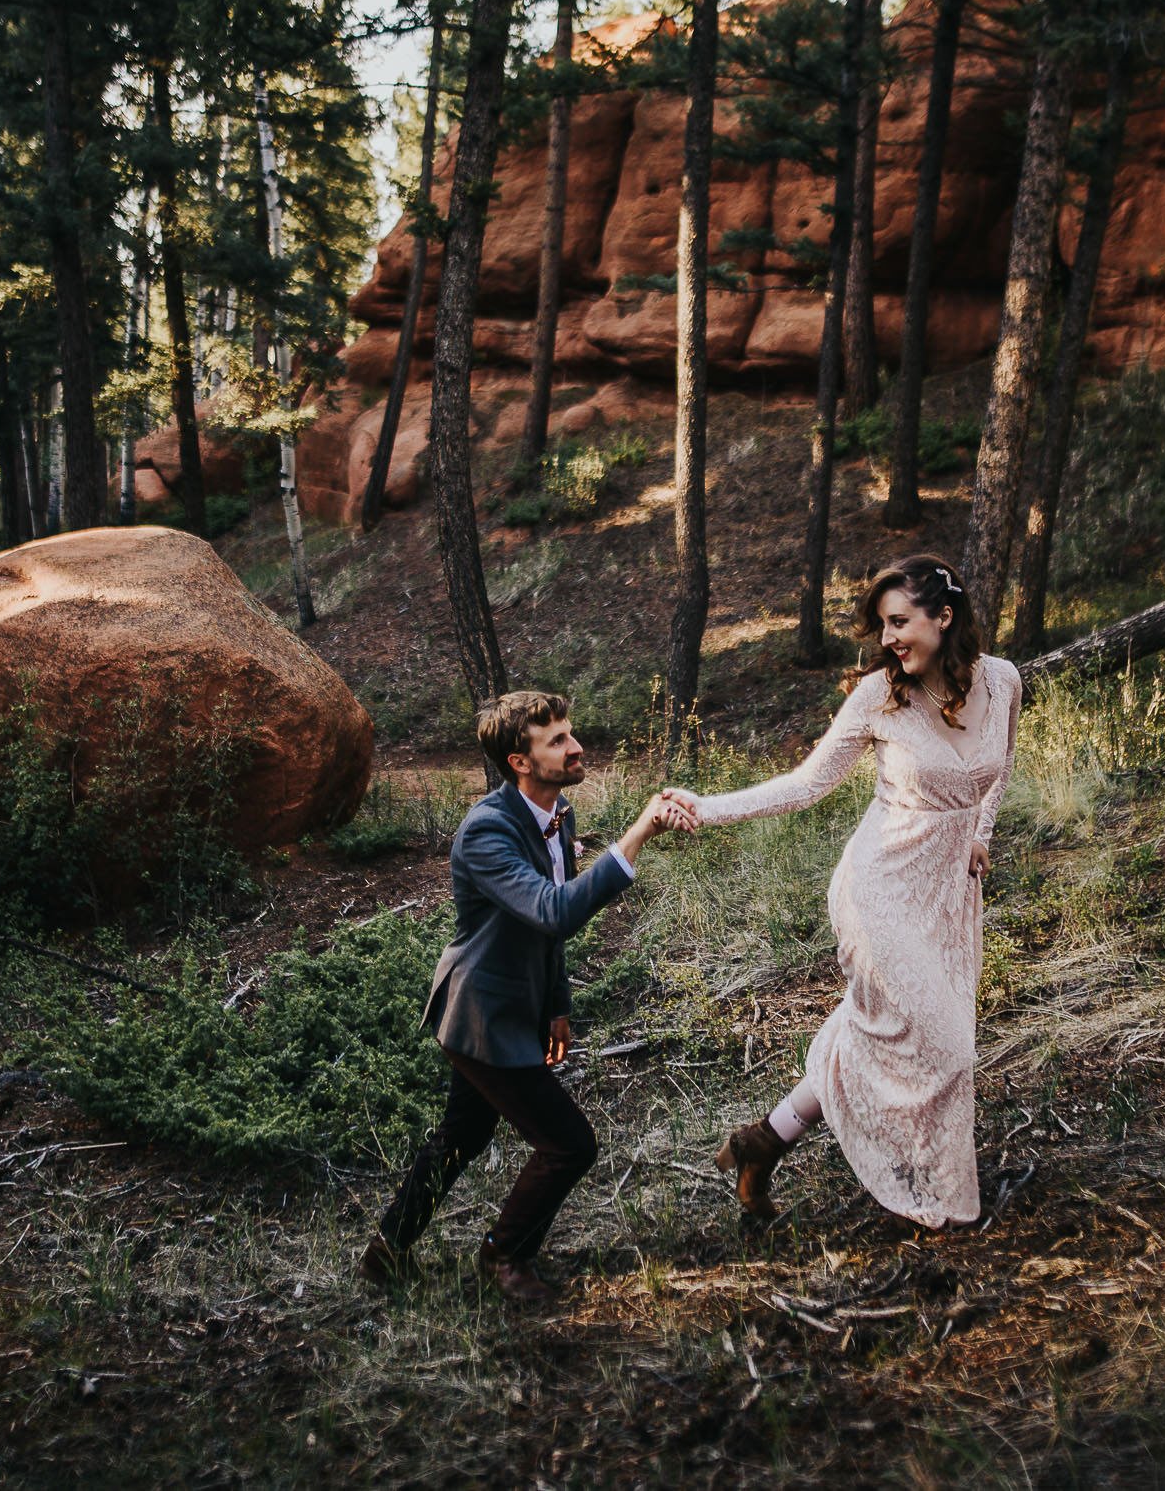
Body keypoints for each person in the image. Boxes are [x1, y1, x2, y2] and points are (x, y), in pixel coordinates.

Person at [667, 555, 1018, 1230]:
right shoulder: (880, 695)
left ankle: (762, 1141)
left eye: (899, 622)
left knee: (884, 1031)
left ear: (944, 617)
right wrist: (706, 806)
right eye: (882, 626)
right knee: (945, 1046)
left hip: (946, 890)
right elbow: (806, 784)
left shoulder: (1002, 681)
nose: (888, 639)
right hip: (878, 887)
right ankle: (929, 1197)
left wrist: (982, 830)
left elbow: (996, 764)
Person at [361, 690, 693, 1304]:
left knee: (461, 1135)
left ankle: (386, 1250)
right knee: (569, 1144)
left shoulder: (556, 815)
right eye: (558, 740)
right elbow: (554, 912)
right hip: (482, 1016)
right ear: (520, 761)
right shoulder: (487, 831)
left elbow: (543, 936)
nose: (576, 747)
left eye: (571, 733)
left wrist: (556, 1005)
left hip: (519, 1006)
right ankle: (505, 1255)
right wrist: (640, 830)